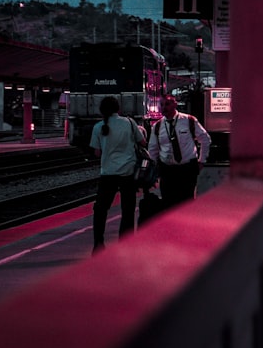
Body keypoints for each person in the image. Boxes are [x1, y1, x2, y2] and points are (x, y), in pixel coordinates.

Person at [89, 96, 147, 254]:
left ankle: (98, 243)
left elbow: (97, 152)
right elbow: (142, 143)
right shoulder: (129, 123)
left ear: (102, 111)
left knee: (101, 209)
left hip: (108, 173)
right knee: (127, 210)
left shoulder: (98, 127)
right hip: (127, 173)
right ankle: (126, 243)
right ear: (118, 109)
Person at [147, 94, 212, 208]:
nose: (164, 107)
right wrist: (155, 167)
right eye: (161, 105)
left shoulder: (189, 121)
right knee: (168, 205)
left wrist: (201, 160)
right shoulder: (157, 126)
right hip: (167, 171)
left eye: (167, 104)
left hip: (186, 170)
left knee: (186, 204)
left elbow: (205, 139)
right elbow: (152, 149)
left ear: (175, 104)